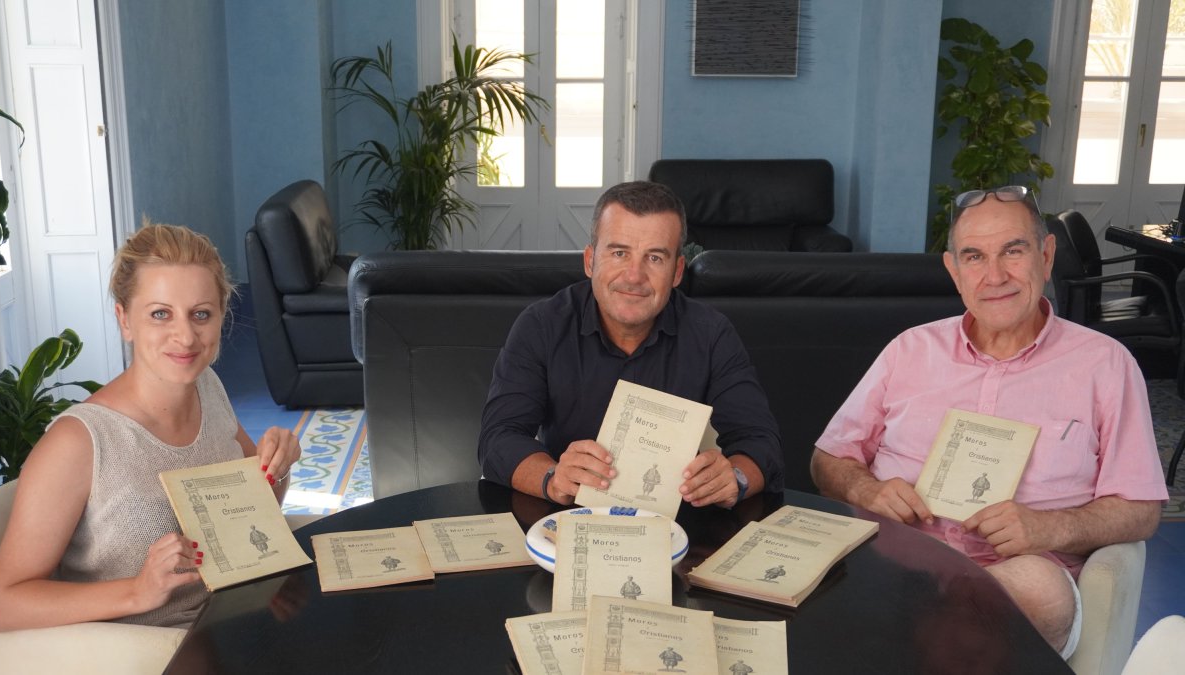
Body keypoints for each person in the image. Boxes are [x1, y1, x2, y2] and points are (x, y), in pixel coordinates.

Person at [810, 186, 1167, 657]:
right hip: (900, 560)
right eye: (974, 257)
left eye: (1013, 251)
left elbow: (1142, 508)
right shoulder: (909, 350)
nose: (995, 275)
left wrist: (1049, 528)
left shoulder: (1105, 364)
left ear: (1046, 253)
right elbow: (826, 460)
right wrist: (866, 491)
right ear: (953, 270)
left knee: (1034, 586)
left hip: (1023, 575)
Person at [0, 221, 301, 631]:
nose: (185, 336)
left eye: (201, 314)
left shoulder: (208, 387)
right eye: (160, 314)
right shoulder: (79, 442)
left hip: (231, 625)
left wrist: (277, 466)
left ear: (222, 316)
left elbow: (249, 516)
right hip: (145, 654)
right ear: (125, 320)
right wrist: (138, 590)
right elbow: (4, 605)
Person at [478, 181, 782, 508]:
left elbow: (761, 443)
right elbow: (499, 438)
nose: (634, 276)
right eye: (619, 252)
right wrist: (553, 478)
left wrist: (734, 478)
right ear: (590, 260)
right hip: (563, 518)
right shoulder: (541, 326)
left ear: (677, 271)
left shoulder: (711, 334)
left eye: (654, 257)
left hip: (677, 528)